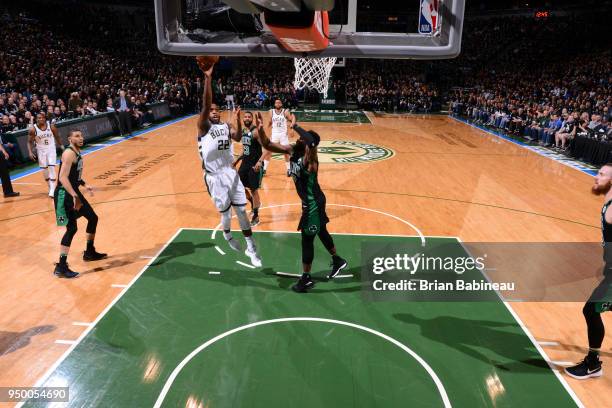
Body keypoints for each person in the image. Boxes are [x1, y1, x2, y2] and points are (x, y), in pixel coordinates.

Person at [255, 113, 347, 292]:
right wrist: (261, 131)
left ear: (308, 143)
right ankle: (338, 260)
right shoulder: (292, 150)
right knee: (320, 231)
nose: (299, 139)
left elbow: (311, 142)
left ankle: (306, 279)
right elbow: (268, 145)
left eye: (302, 138)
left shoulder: (311, 160)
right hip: (314, 201)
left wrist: (294, 124)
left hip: (313, 204)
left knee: (307, 240)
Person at [195, 57, 262, 267]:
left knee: (241, 211)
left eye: (217, 110)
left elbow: (237, 137)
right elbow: (206, 104)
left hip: (230, 173)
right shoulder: (203, 126)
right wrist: (208, 78)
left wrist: (239, 119)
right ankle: (227, 235)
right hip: (214, 177)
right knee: (226, 214)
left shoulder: (225, 126)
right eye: (211, 110)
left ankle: (251, 248)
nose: (214, 111)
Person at [565, 164, 612, 379]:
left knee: (591, 310)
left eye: (602, 174)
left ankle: (593, 364)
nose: (596, 176)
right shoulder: (608, 199)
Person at [53, 130, 107, 278]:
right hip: (65, 194)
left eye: (81, 135)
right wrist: (75, 195)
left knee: (92, 218)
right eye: (77, 136)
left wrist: (84, 184)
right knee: (71, 228)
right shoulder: (69, 153)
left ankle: (89, 252)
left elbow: (73, 175)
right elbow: (63, 177)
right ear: (70, 139)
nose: (81, 137)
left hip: (74, 191)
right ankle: (61, 267)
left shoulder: (77, 152)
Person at [234, 111, 264, 226]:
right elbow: (245, 149)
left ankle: (256, 215)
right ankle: (252, 202)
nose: (247, 118)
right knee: (239, 186)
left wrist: (260, 162)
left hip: (254, 165)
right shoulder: (244, 131)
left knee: (254, 190)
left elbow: (267, 148)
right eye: (245, 117)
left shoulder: (255, 132)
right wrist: (237, 160)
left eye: (249, 117)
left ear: (252, 119)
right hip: (245, 163)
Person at [28, 112, 64, 197]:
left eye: (42, 117)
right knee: (44, 169)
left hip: (51, 148)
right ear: (36, 119)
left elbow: (57, 136)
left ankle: (52, 189)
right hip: (40, 150)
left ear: (45, 118)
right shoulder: (33, 129)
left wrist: (62, 146)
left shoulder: (51, 126)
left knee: (51, 167)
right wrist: (30, 152)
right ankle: (50, 186)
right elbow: (29, 142)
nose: (40, 119)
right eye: (39, 118)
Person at [262, 99, 294, 176]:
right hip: (274, 134)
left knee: (286, 152)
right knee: (268, 151)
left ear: (281, 104)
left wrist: (292, 129)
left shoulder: (285, 111)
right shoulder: (271, 111)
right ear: (274, 104)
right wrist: (264, 131)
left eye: (279, 102)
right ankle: (264, 169)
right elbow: (270, 122)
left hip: (283, 135)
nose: (278, 104)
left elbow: (291, 119)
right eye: (276, 102)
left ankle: (289, 169)